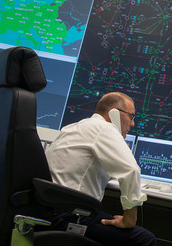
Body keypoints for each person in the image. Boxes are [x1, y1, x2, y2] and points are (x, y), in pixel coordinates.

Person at [45, 92, 156, 246]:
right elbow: (131, 170)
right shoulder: (104, 128)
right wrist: (129, 219)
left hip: (50, 212)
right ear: (114, 114)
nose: (132, 124)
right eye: (131, 117)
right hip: (69, 216)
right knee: (144, 239)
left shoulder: (74, 127)